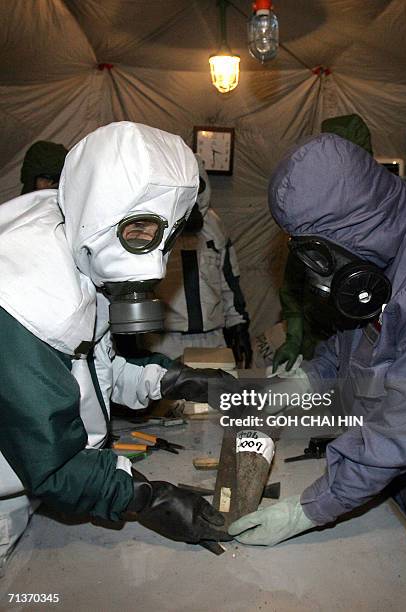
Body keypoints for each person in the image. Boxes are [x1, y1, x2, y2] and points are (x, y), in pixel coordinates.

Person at [0, 122, 235, 575]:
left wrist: (175, 379)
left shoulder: (75, 240)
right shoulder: (24, 294)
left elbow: (93, 369)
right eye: (141, 230)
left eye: (164, 235)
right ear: (102, 213)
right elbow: (55, 463)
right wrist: (146, 498)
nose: (154, 256)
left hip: (34, 484)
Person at [229, 133, 406, 586]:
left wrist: (309, 509)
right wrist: (309, 381)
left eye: (316, 249)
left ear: (344, 229)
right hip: (385, 449)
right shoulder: (382, 236)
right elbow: (358, 335)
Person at [272, 114, 373, 373]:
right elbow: (293, 285)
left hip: (367, 346)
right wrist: (294, 337)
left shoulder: (382, 217)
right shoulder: (312, 211)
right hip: (317, 342)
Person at [143, 155, 252, 368]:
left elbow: (229, 282)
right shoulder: (152, 228)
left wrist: (239, 326)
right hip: (164, 341)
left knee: (215, 399)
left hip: (212, 339)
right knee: (170, 401)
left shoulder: (214, 227)